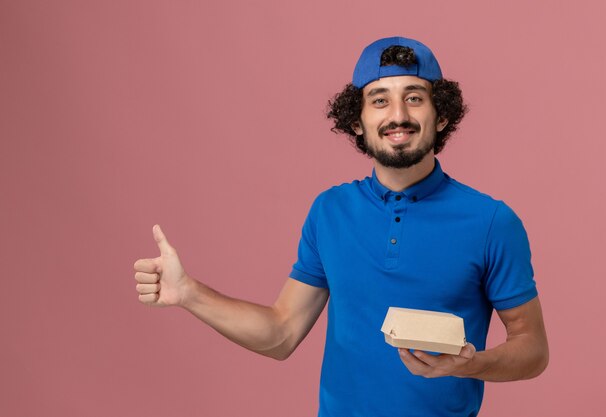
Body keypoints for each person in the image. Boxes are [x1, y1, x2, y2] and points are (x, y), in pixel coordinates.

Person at [133, 36, 549, 417]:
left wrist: (472, 364)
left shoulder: (492, 221)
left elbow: (533, 349)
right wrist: (188, 292)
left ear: (441, 115)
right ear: (357, 121)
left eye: (415, 98)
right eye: (380, 100)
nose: (398, 115)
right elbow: (281, 333)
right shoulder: (329, 211)